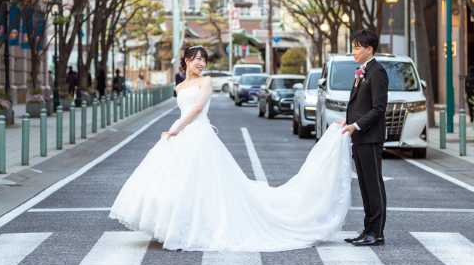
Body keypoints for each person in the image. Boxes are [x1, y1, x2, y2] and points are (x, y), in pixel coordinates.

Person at [109, 45, 352, 252]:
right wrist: (176, 130)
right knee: (176, 181)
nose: (201, 64)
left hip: (197, 133)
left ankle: (197, 228)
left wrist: (175, 129)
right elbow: (184, 109)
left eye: (203, 60)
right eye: (196, 60)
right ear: (186, 61)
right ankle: (174, 225)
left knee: (202, 183)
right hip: (181, 132)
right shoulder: (179, 87)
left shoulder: (207, 81)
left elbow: (196, 110)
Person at [335, 29, 389, 247]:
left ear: (370, 48)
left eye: (357, 47)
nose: (353, 51)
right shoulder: (363, 71)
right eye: (353, 46)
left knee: (373, 186)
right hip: (359, 137)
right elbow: (361, 105)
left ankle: (376, 233)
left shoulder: (378, 72)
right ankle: (368, 229)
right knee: (365, 187)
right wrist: (347, 121)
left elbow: (378, 108)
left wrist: (356, 125)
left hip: (370, 137)